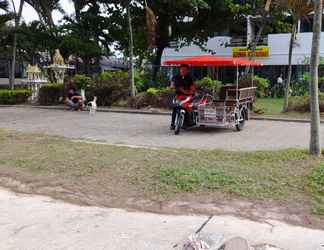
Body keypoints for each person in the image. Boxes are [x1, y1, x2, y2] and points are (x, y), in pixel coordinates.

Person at [170, 64, 196, 130]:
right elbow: (172, 84)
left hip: (187, 96)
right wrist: (172, 86)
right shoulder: (176, 77)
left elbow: (192, 87)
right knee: (175, 108)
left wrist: (192, 91)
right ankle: (172, 124)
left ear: (188, 70)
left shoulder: (189, 77)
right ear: (180, 70)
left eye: (184, 70)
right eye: (181, 69)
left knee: (188, 107)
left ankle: (187, 123)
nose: (182, 71)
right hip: (178, 95)